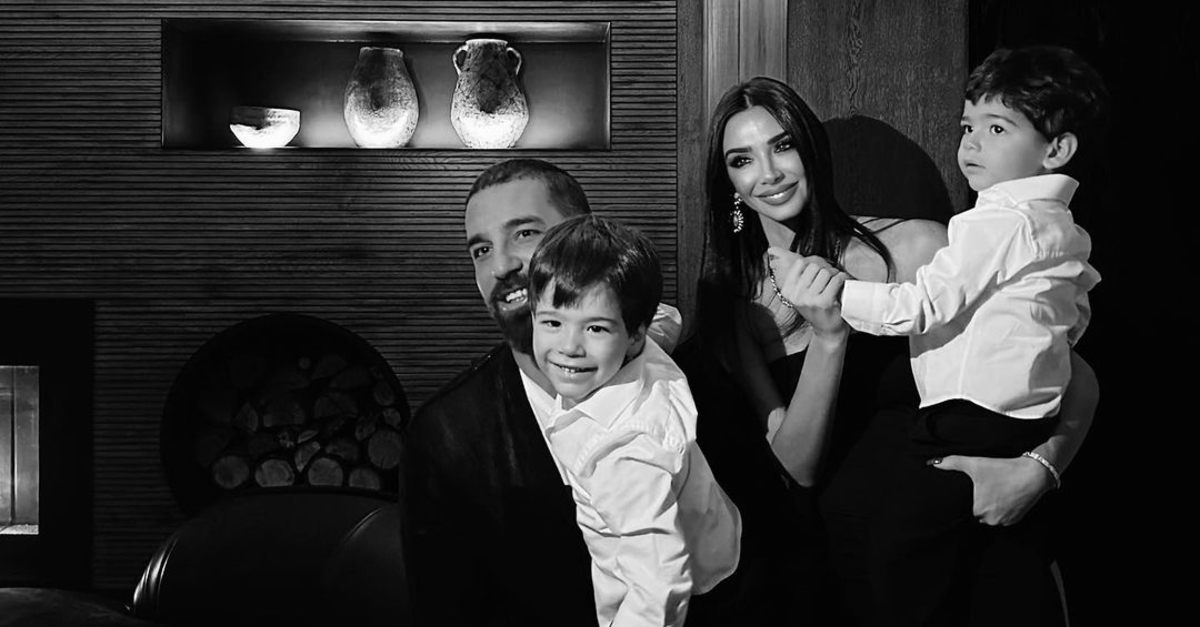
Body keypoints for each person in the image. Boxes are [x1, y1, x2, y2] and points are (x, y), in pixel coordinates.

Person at [684, 76, 1099, 626]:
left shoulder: (917, 246)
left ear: (811, 150)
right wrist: (829, 337)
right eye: (742, 160)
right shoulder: (736, 301)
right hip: (860, 564)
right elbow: (797, 468)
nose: (769, 173)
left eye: (783, 146)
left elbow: (1070, 371)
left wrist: (1039, 470)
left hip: (977, 532)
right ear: (731, 184)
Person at [402, 158, 807, 627]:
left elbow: (771, 546)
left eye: (525, 233)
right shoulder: (445, 435)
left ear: (585, 240)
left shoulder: (688, 377)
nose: (501, 265)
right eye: (481, 249)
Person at [798, 45, 1106, 626]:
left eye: (997, 128)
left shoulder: (996, 221)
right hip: (1017, 420)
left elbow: (921, 306)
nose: (972, 143)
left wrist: (836, 295)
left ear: (1057, 150)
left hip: (970, 420)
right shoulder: (1060, 226)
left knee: (899, 557)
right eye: (968, 126)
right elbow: (1074, 317)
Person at [527, 214, 740, 627]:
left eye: (595, 328)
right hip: (718, 540)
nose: (569, 347)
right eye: (552, 322)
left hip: (688, 597)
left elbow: (658, 584)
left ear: (634, 335)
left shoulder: (624, 454)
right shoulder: (644, 348)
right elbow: (668, 319)